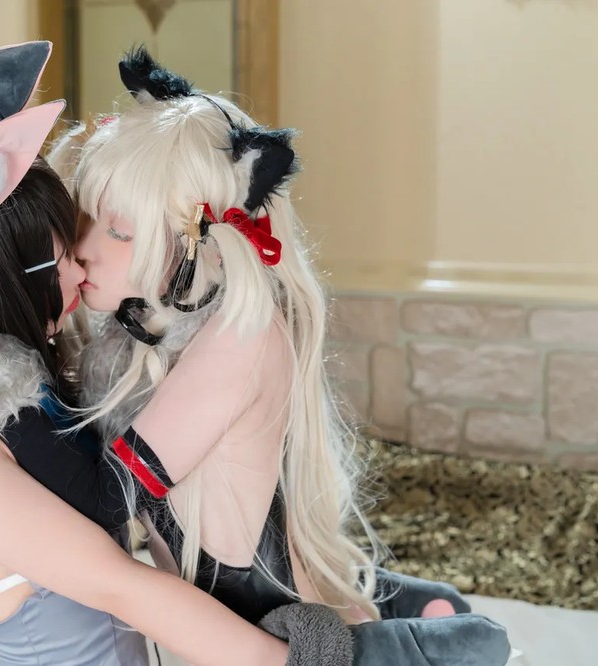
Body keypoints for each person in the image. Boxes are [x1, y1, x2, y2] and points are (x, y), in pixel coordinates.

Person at [0, 41, 503, 666]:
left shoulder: (40, 383)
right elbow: (121, 579)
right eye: (59, 255)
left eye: (95, 234)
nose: (80, 266)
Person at [66, 47, 511, 664]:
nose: (83, 247)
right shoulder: (158, 332)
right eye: (84, 218)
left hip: (291, 640)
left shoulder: (241, 336)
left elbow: (101, 496)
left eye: (118, 230)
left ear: (197, 243)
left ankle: (408, 625)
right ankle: (410, 608)